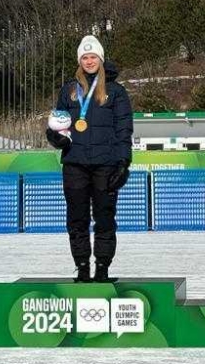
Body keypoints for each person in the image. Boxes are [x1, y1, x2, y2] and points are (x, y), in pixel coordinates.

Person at [46, 35, 133, 283]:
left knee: (105, 216)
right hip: (75, 164)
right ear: (79, 61)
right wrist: (56, 138)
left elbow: (124, 129)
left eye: (93, 56)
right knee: (77, 217)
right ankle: (82, 266)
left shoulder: (116, 92)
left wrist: (122, 162)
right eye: (85, 57)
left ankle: (102, 267)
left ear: (101, 59)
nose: (89, 61)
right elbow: (54, 124)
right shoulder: (69, 90)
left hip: (105, 164)